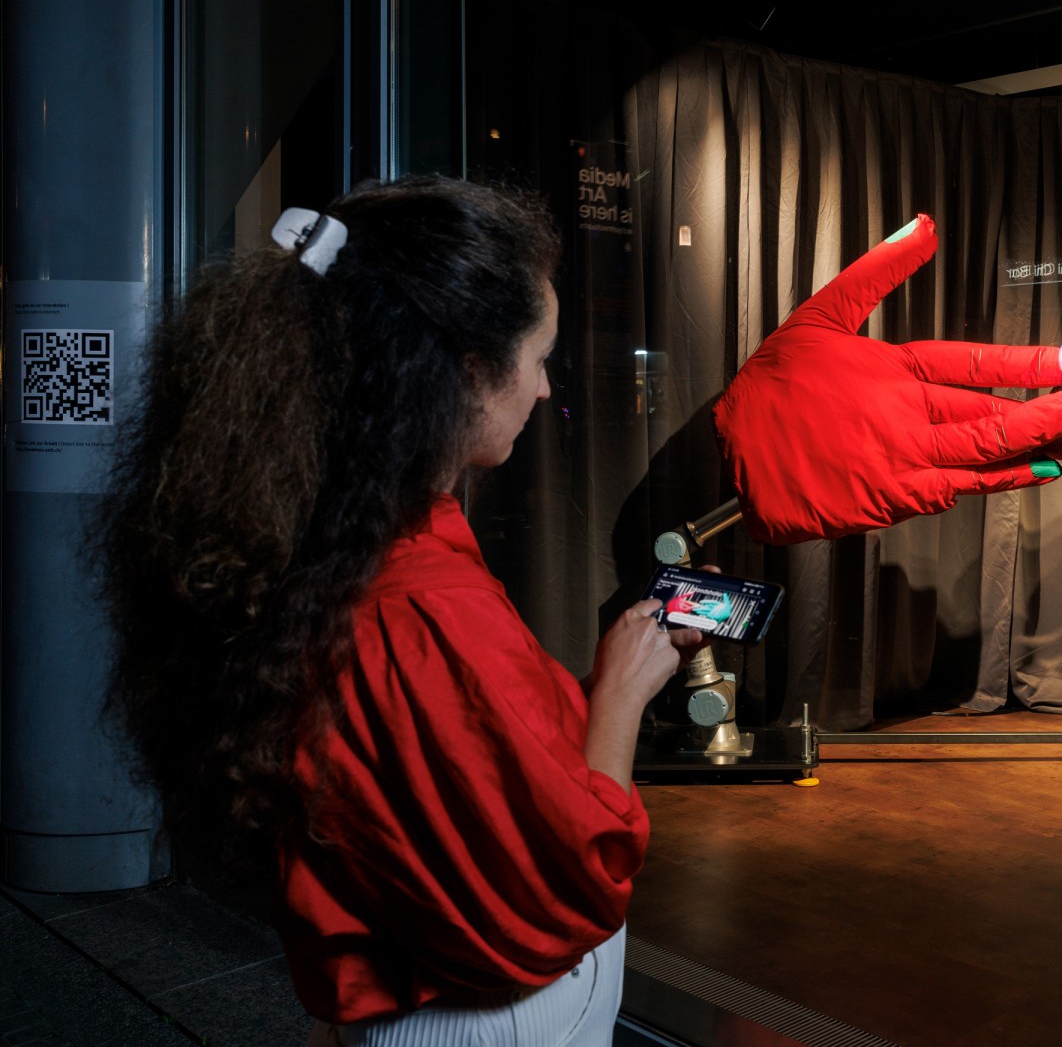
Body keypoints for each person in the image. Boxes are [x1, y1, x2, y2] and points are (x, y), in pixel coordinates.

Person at [99, 175, 700, 1045]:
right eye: (539, 359)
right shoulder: (420, 604)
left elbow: (444, 762)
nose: (543, 391)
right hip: (492, 1018)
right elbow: (566, 884)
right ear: (468, 374)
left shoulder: (326, 539)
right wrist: (621, 697)